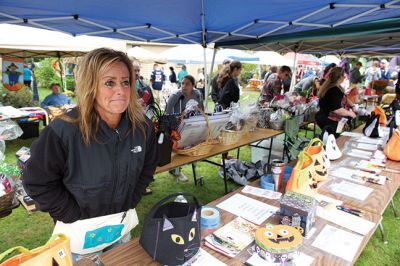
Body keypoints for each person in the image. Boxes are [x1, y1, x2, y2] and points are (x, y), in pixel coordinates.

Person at [23, 48, 159, 264]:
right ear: (90, 85)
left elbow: (148, 166)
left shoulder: (142, 128)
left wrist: (132, 198)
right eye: (109, 82)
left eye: (126, 82)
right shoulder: (63, 131)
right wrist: (71, 213)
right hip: (79, 238)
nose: (121, 90)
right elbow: (36, 181)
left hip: (120, 231)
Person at [165, 75, 203, 182]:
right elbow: (167, 113)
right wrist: (177, 118)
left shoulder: (197, 94)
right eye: (182, 83)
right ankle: (175, 170)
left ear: (193, 85)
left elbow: (201, 109)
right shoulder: (175, 95)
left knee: (191, 145)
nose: (184, 86)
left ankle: (190, 163)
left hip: (192, 124)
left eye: (187, 84)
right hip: (176, 127)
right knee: (178, 148)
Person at [316, 67, 357, 136]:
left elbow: (345, 98)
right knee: (334, 140)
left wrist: (352, 105)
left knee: (332, 138)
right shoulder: (334, 90)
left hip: (324, 117)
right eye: (343, 75)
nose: (344, 77)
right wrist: (350, 113)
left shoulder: (336, 87)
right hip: (328, 119)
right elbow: (337, 109)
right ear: (340, 77)